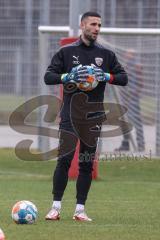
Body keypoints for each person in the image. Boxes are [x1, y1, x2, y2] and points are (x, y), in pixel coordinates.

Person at [44, 11, 128, 222]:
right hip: (70, 116)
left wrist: (107, 76)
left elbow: (124, 78)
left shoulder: (106, 55)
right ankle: (55, 208)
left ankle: (80, 210)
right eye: (93, 24)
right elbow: (48, 76)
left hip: (93, 118)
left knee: (86, 163)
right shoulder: (66, 52)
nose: (97, 28)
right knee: (63, 160)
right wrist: (67, 76)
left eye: (99, 25)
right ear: (82, 26)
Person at [116, 49, 145, 152]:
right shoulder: (125, 67)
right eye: (127, 53)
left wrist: (133, 95)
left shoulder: (137, 68)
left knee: (137, 121)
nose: (127, 55)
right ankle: (125, 144)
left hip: (133, 99)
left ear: (133, 55)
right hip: (125, 99)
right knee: (124, 121)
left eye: (130, 54)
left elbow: (140, 84)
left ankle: (141, 144)